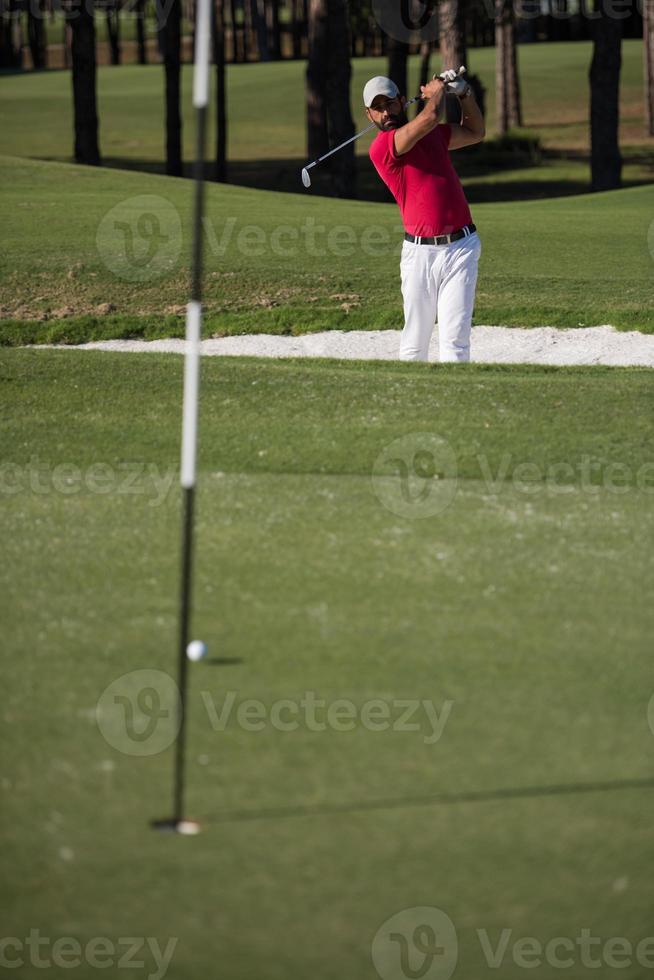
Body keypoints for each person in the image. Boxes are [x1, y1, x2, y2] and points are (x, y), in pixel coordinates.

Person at [364, 73, 485, 362]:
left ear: (402, 102)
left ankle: (454, 407)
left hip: (461, 249)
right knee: (414, 344)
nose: (385, 112)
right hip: (419, 255)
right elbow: (429, 117)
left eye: (390, 104)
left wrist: (464, 93)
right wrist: (437, 92)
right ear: (368, 114)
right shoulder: (382, 148)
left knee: (455, 342)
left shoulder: (434, 135)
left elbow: (476, 132)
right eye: (377, 108)